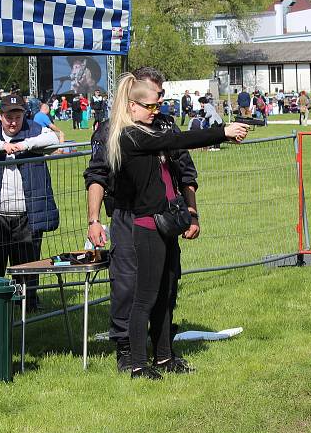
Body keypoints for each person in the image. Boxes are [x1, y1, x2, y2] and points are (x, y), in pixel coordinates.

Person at [102, 72, 249, 379]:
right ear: (131, 106)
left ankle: (165, 358)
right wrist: (222, 131)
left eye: (158, 106)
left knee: (167, 290)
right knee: (145, 297)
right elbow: (179, 139)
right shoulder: (131, 137)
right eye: (151, 107)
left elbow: (175, 147)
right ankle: (140, 364)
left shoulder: (148, 130)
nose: (156, 112)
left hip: (165, 223)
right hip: (147, 226)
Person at [85, 67, 202, 374]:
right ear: (135, 95)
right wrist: (94, 219)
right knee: (128, 284)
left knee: (167, 281)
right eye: (154, 95)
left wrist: (192, 212)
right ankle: (127, 351)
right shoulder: (112, 131)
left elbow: (186, 173)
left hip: (164, 215)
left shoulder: (165, 125)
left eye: (161, 95)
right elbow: (97, 175)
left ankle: (164, 350)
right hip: (126, 214)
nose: (159, 101)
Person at [0, 95, 60, 309]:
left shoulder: (33, 129)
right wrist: (0, 146)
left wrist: (24, 144)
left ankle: (28, 305)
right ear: (0, 115)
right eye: (9, 117)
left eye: (18, 116)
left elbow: (53, 140)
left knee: (28, 266)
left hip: (26, 214)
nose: (14, 122)